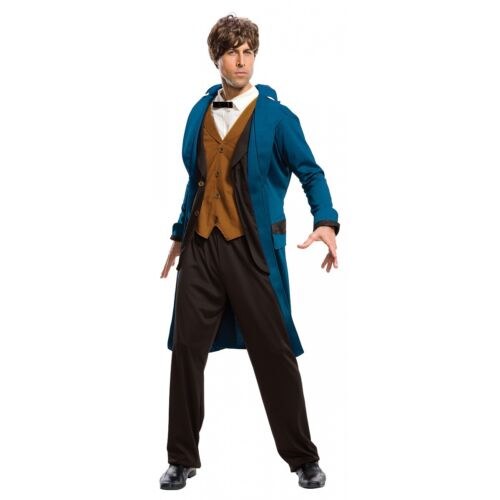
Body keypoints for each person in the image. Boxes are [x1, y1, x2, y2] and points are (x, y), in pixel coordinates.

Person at [159, 13, 340, 490]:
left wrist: (325, 221)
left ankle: (302, 458)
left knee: (274, 352)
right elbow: (198, 181)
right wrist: (178, 236)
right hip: (201, 248)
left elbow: (311, 173)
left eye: (248, 52)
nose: (242, 61)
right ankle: (181, 457)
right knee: (186, 352)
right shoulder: (199, 112)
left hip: (252, 250)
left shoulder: (278, 118)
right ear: (216, 58)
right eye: (232, 52)